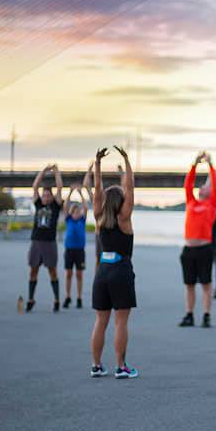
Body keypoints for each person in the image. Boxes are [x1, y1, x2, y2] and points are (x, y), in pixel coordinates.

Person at [90, 146, 139, 379]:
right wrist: (127, 160)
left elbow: (97, 188)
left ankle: (97, 365)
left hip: (102, 271)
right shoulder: (124, 218)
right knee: (120, 321)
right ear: (120, 200)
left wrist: (97, 164)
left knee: (101, 321)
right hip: (120, 270)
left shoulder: (99, 216)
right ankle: (120, 366)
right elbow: (130, 186)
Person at [179, 151, 216, 328]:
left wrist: (210, 165)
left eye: (206, 186)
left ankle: (206, 315)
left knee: (205, 284)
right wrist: (194, 165)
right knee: (189, 284)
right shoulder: (191, 202)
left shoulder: (212, 204)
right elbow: (188, 184)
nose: (202, 187)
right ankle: (189, 314)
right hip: (188, 249)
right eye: (201, 186)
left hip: (204, 249)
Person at [27, 164, 64, 313]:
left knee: (52, 271)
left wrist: (56, 172)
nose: (45, 197)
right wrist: (43, 171)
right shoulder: (37, 205)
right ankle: (31, 299)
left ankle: (56, 299)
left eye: (48, 195)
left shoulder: (55, 206)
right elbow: (35, 186)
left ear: (52, 197)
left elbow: (60, 188)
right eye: (44, 195)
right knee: (33, 271)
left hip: (49, 243)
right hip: (36, 242)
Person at [63, 186, 89, 309]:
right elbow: (65, 206)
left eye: (79, 212)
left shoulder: (82, 220)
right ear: (71, 213)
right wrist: (70, 193)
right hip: (69, 250)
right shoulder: (68, 220)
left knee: (79, 274)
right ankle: (68, 296)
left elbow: (85, 206)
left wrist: (80, 193)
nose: (77, 214)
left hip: (80, 251)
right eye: (75, 212)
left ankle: (79, 297)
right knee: (68, 273)